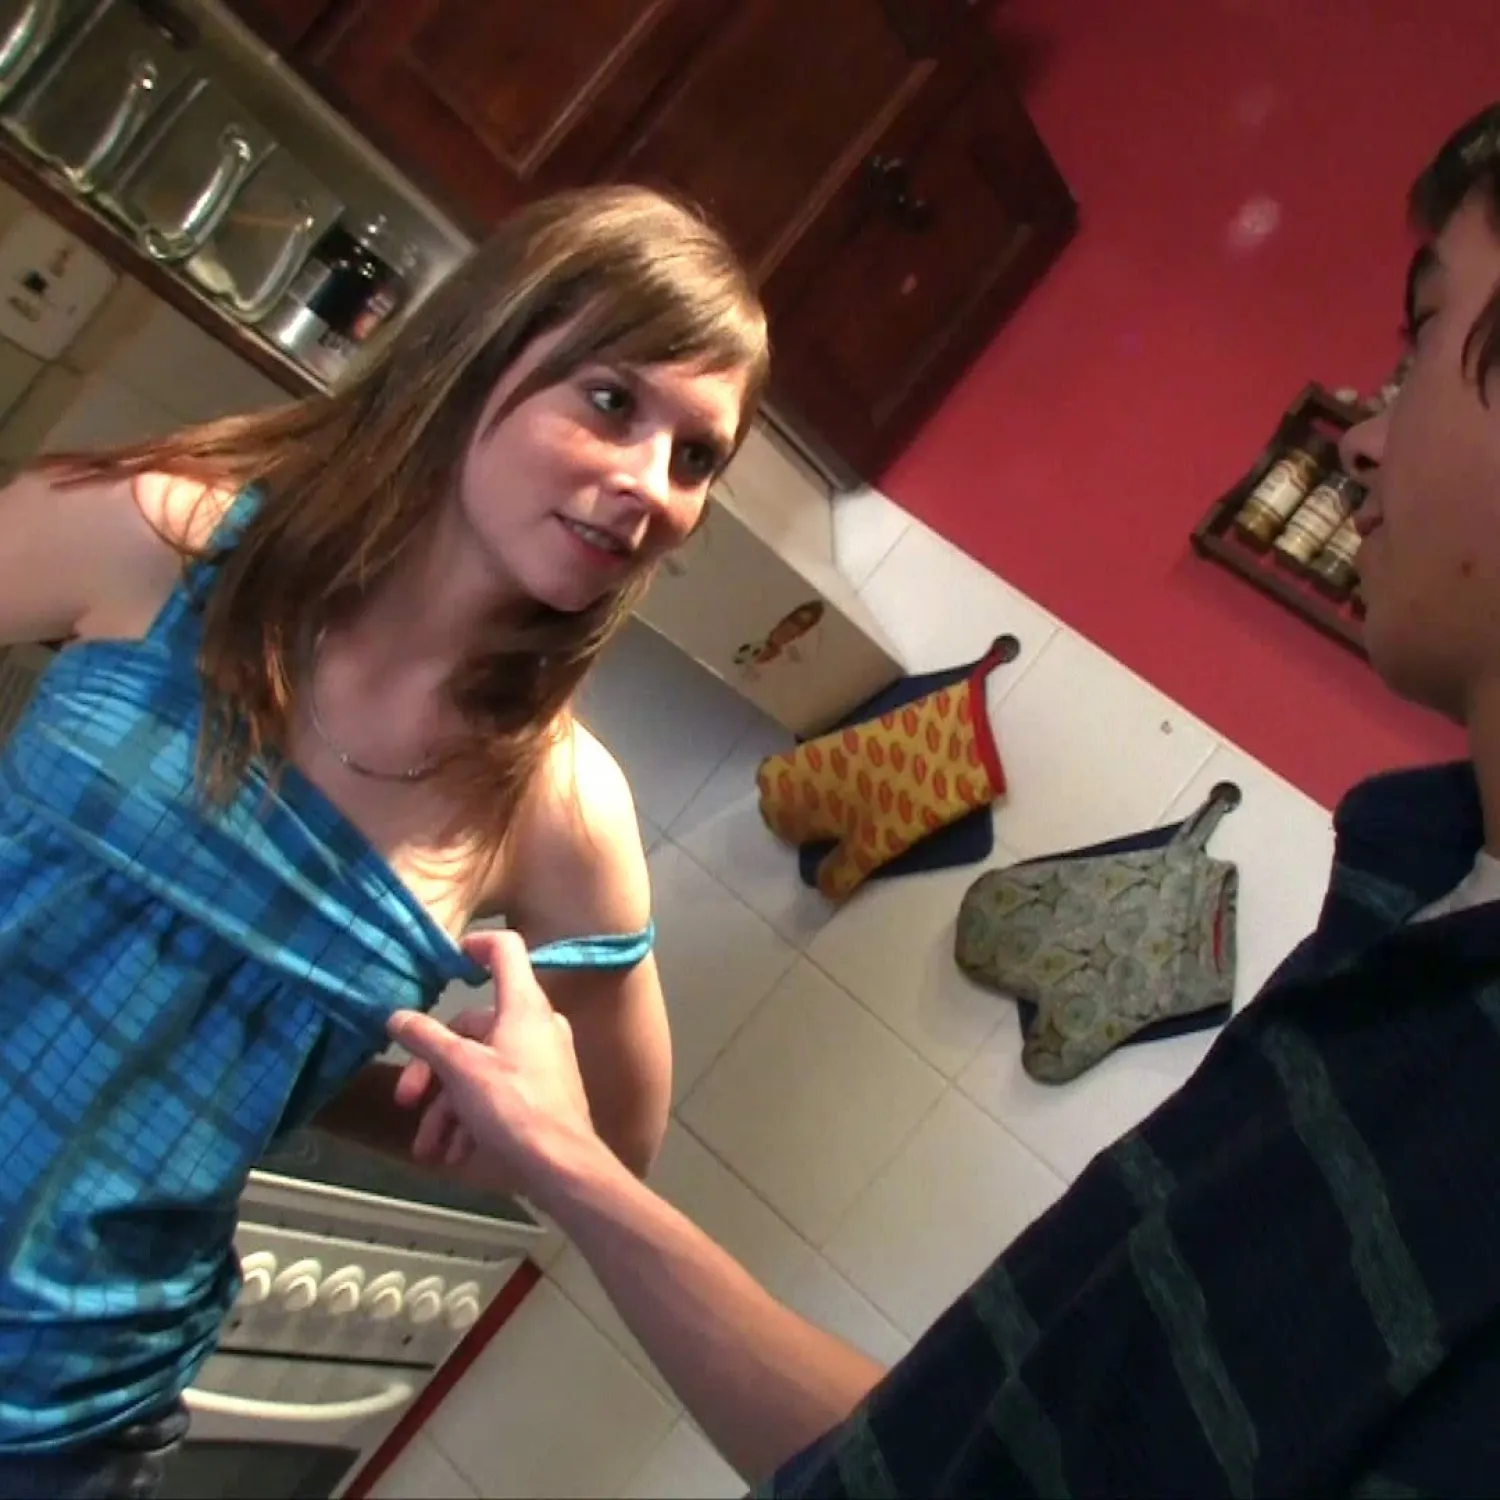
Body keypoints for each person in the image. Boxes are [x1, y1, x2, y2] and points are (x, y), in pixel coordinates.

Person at [387, 101, 1500, 1497]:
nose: (1361, 439)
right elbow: (947, 1460)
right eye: (609, 401)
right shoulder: (1410, 915)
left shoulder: (569, 811)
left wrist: (569, 1151)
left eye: (1421, 340)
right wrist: (562, 1161)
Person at [0, 184, 768, 1495]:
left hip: (60, 1427)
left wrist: (326, 1087)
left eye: (697, 458)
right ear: (479, 352)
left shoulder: (560, 810)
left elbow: (608, 1150)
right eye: (611, 401)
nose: (652, 482)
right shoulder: (153, 539)